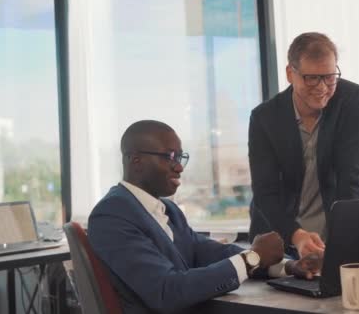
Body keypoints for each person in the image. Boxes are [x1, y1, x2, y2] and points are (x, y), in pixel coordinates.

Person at [88, 120, 321, 314]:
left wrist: (286, 266)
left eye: (180, 157)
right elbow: (166, 292)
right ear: (136, 160)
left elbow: (210, 252)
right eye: (169, 157)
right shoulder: (113, 214)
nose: (179, 168)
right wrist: (252, 258)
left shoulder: (168, 210)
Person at [248, 32, 359, 259]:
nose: (322, 88)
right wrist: (296, 235)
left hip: (330, 237)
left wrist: (347, 243)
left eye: (330, 77)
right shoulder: (264, 118)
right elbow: (265, 194)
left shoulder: (351, 100)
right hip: (276, 241)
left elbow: (351, 180)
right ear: (290, 74)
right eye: (311, 78)